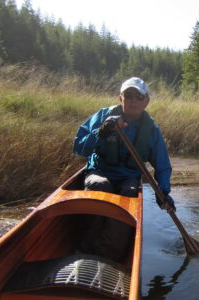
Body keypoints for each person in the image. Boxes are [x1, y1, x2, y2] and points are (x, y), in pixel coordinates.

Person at [73, 76, 175, 261]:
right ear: (121, 98)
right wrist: (100, 132)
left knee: (128, 193)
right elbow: (78, 148)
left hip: (128, 177)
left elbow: (162, 165)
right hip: (100, 171)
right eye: (128, 95)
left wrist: (164, 192)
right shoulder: (103, 116)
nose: (133, 100)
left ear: (146, 101)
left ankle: (108, 254)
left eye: (138, 96)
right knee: (100, 186)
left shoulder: (151, 129)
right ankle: (85, 249)